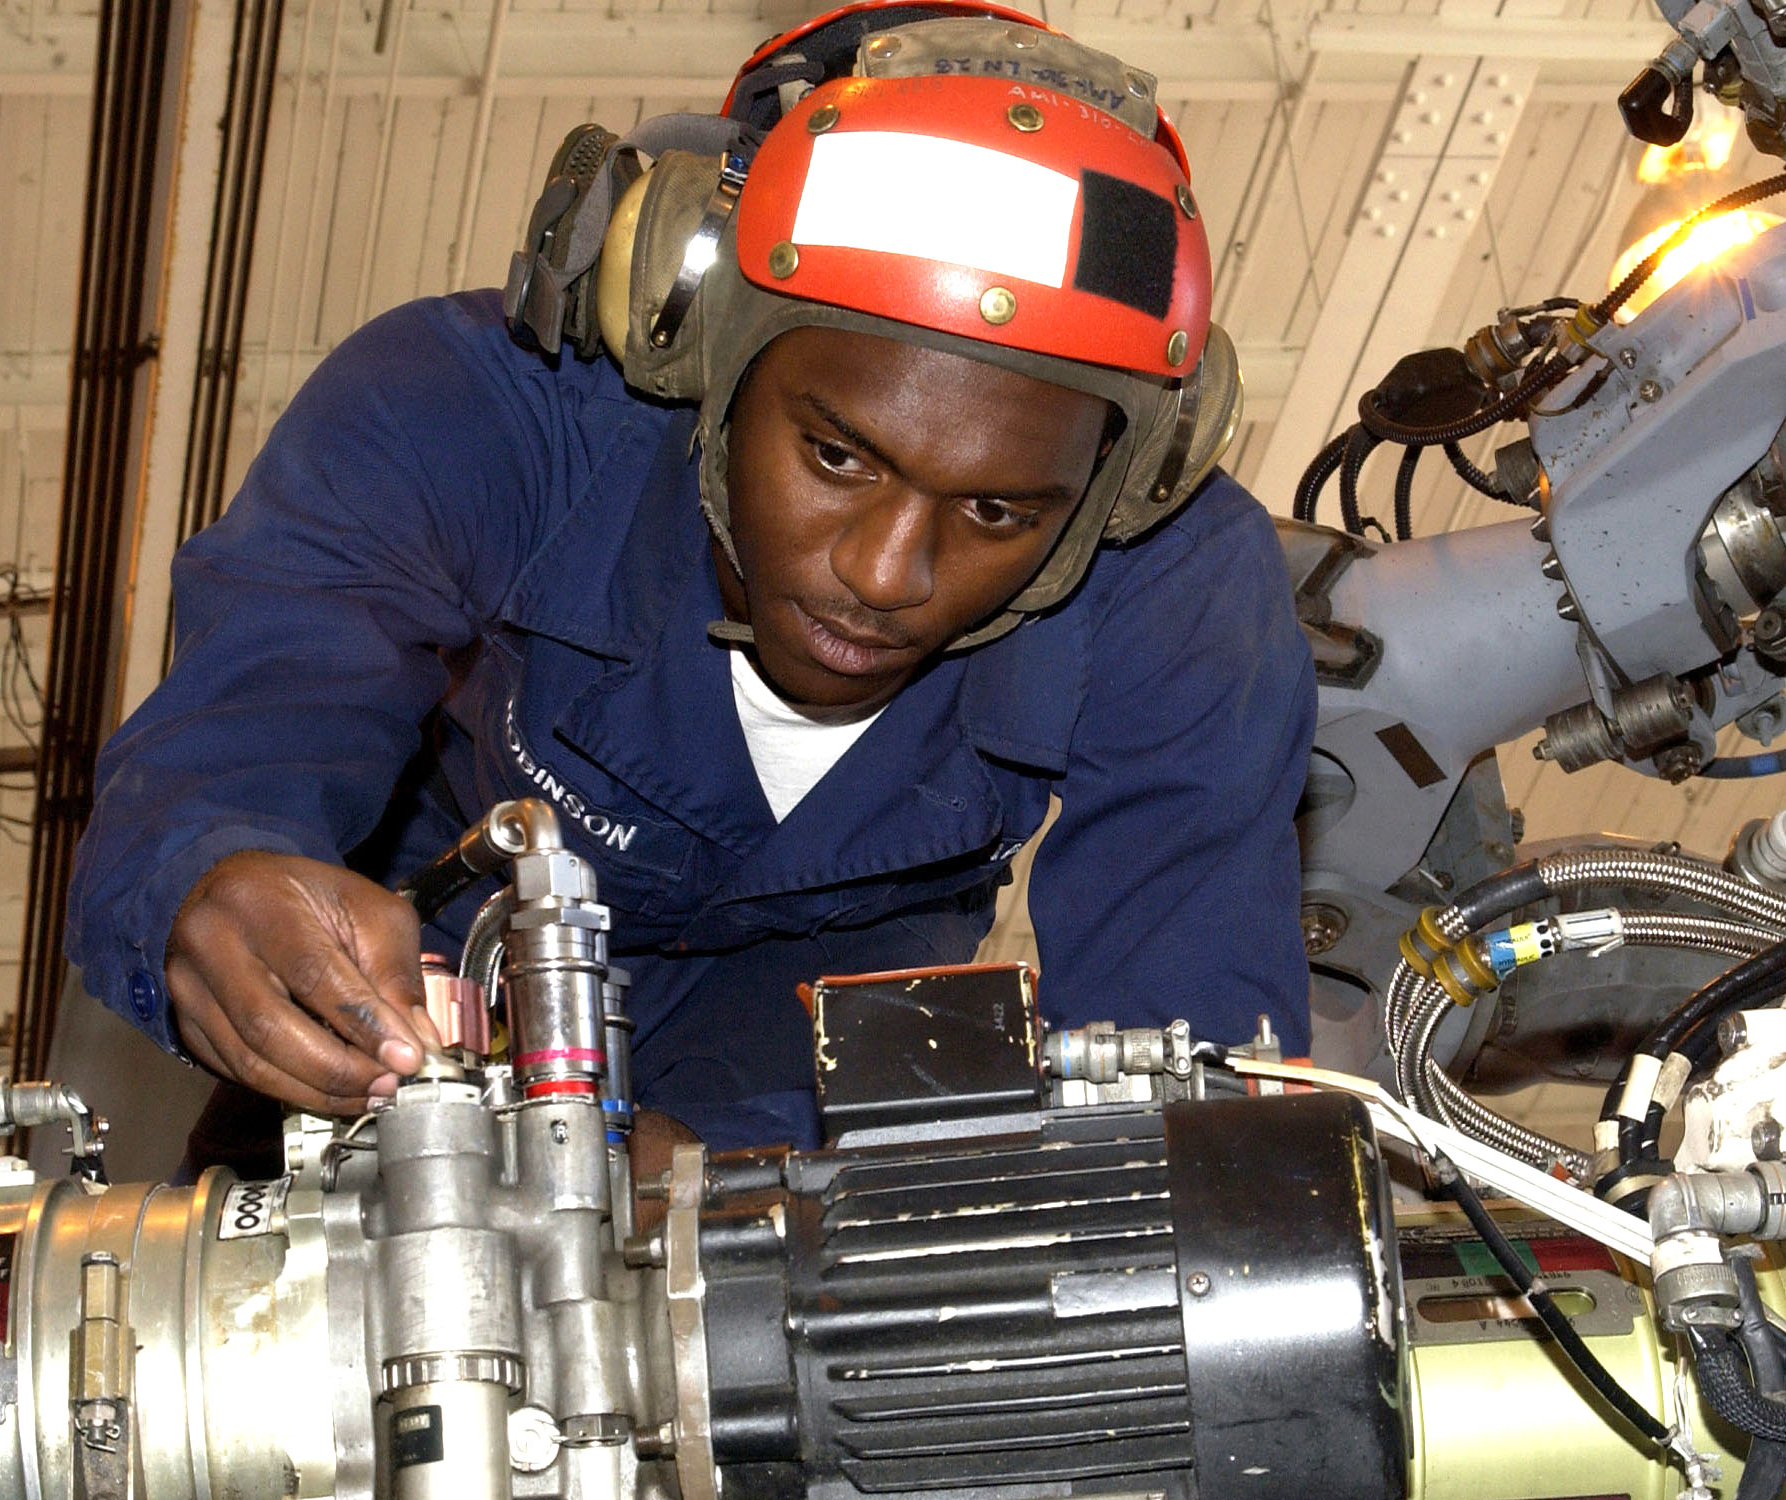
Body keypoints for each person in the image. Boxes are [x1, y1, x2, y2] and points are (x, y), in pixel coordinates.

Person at [64, 3, 1317, 1156]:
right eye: (836, 454)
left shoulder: (1178, 588)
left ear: (1125, 485)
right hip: (435, 1016)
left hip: (827, 1079)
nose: (885, 574)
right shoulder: (466, 417)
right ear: (693, 333)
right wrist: (214, 878)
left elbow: (1196, 1092)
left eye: (998, 510)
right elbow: (252, 719)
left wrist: (737, 1179)